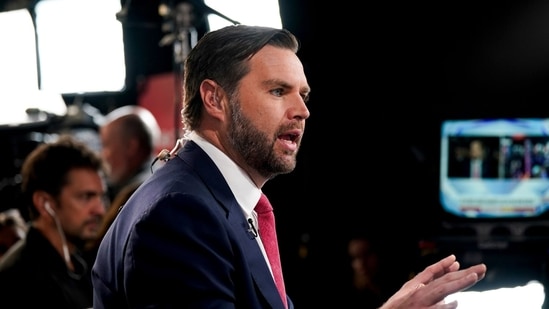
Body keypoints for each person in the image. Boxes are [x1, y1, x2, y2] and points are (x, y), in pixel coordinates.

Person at [91, 25, 487, 309]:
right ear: (214, 99)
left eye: (304, 94)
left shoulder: (213, 199)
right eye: (278, 91)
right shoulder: (179, 213)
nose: (302, 111)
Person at [0, 134, 108, 308]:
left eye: (101, 198)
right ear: (44, 203)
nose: (100, 210)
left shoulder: (78, 264)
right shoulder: (21, 280)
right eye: (86, 197)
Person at [98, 104, 161, 203]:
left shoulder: (135, 195)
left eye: (106, 145)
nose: (102, 155)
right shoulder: (160, 180)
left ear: (131, 147)